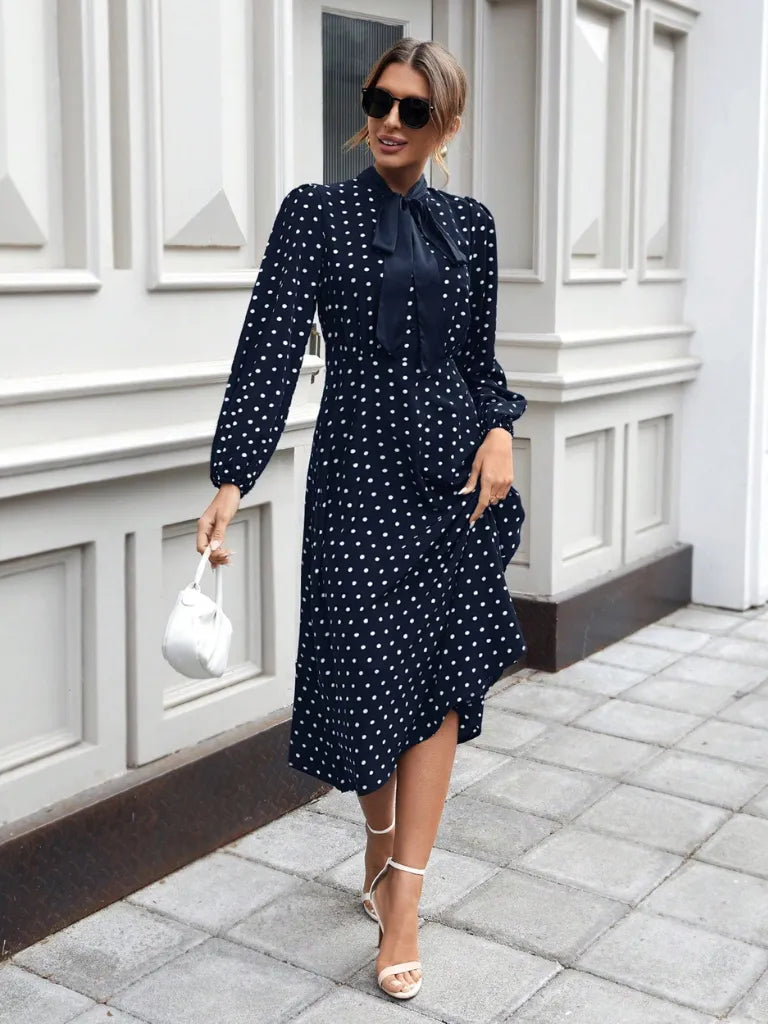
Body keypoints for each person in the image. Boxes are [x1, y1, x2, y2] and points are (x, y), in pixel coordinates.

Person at [197, 37, 527, 1001]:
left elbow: (480, 361)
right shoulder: (316, 215)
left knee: (436, 685)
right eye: (380, 100)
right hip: (358, 480)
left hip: (455, 481)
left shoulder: (474, 225)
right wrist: (231, 478)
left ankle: (407, 901)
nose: (388, 118)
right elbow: (265, 353)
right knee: (367, 681)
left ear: (447, 126)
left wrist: (501, 430)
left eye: (412, 109)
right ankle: (379, 848)